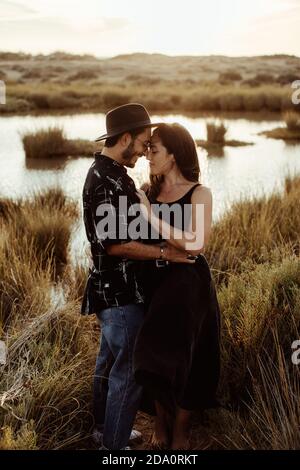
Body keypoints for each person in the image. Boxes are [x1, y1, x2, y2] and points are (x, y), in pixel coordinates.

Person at [81, 104, 194, 450]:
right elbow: (115, 245)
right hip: (119, 295)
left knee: (109, 361)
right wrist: (166, 253)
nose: (145, 150)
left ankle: (104, 429)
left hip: (114, 291)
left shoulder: (112, 173)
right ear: (125, 138)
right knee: (128, 372)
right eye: (143, 142)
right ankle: (112, 448)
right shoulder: (105, 179)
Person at [134, 123, 221, 450]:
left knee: (193, 356)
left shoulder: (200, 193)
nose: (147, 156)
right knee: (155, 352)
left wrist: (151, 214)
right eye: (146, 149)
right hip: (153, 282)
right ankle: (160, 419)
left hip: (189, 286)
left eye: (153, 150)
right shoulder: (147, 190)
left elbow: (195, 243)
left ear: (173, 155)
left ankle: (182, 426)